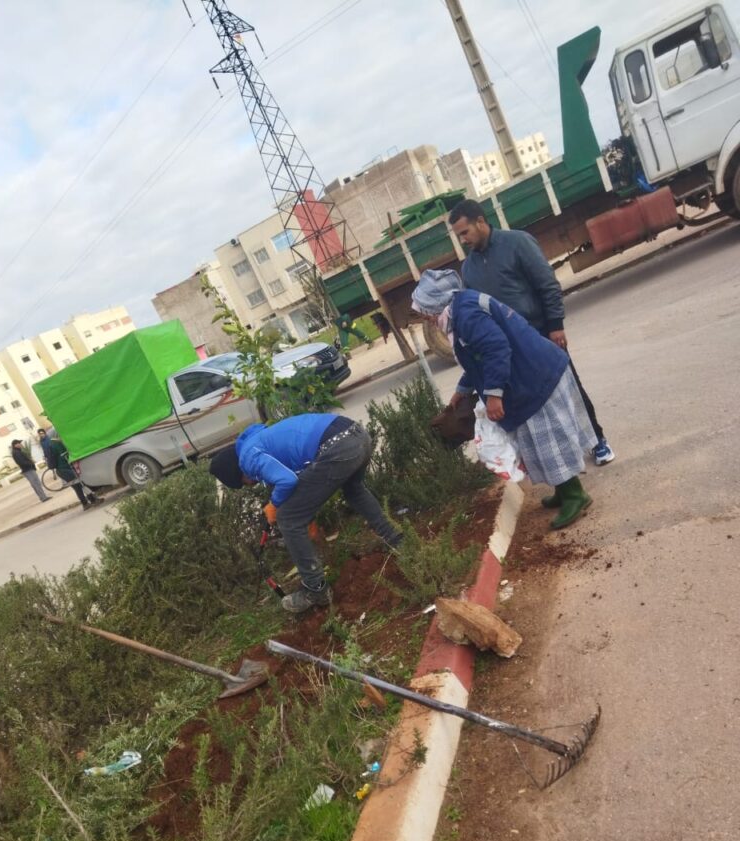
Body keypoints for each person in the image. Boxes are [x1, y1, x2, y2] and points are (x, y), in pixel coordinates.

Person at [411, 269, 596, 530]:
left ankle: (575, 495)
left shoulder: (466, 316)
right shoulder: (461, 307)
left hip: (536, 376)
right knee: (539, 442)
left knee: (548, 440)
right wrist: (462, 390)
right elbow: (475, 357)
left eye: (426, 311)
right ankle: (563, 490)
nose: (427, 317)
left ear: (437, 302)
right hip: (530, 372)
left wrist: (494, 395)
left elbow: (496, 350)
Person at [448, 198, 614, 467]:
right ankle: (565, 456)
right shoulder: (469, 269)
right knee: (539, 405)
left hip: (540, 337)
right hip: (509, 350)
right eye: (459, 236)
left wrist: (555, 325)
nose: (463, 240)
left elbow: (547, 284)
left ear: (480, 221)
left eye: (465, 232)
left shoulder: (517, 243)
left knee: (569, 390)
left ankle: (598, 441)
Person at [209, 412, 402, 614]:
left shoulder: (247, 458)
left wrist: (274, 504)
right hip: (357, 434)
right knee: (354, 489)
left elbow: (288, 481)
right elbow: (302, 480)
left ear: (238, 472)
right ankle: (397, 540)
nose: (252, 484)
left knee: (288, 518)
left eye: (244, 483)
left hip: (337, 448)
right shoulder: (259, 440)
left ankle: (316, 589)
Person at [50, 435, 102, 511]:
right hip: (65, 469)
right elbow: (66, 455)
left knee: (77, 487)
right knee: (81, 484)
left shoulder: (52, 443)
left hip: (61, 470)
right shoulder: (57, 443)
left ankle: (85, 504)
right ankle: (93, 500)